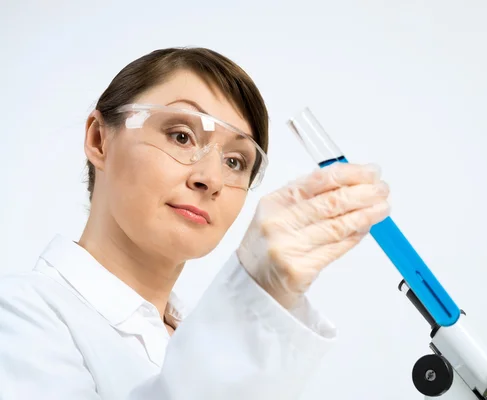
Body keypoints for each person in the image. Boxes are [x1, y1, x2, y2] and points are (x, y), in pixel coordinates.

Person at [0, 47, 390, 399]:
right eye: (181, 136)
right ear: (100, 139)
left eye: (235, 161)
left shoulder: (193, 336)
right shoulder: (18, 316)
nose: (211, 179)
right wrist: (254, 293)